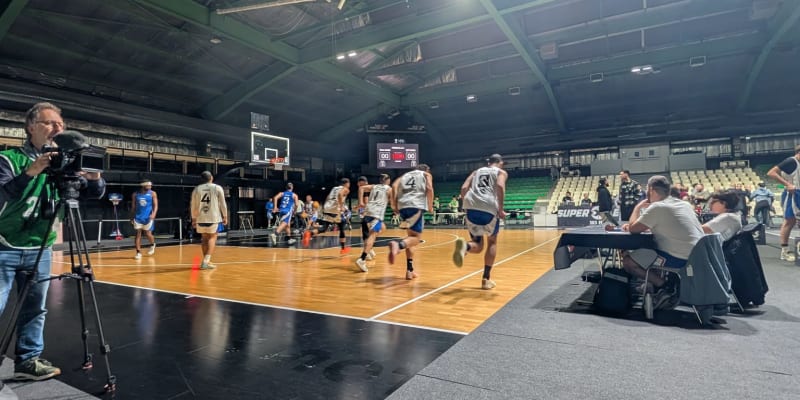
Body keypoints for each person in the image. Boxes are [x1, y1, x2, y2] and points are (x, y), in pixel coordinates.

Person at [0, 102, 105, 381]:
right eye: (49, 123)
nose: (57, 128)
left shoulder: (65, 166)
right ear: (31, 127)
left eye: (60, 124)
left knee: (35, 308)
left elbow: (93, 193)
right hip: (4, 246)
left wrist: (94, 176)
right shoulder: (10, 159)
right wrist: (31, 172)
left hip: (40, 247)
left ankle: (28, 360)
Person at [619, 175, 704, 309]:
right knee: (653, 251)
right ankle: (658, 286)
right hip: (699, 255)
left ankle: (665, 286)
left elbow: (633, 228)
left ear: (651, 189)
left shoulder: (657, 207)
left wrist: (637, 207)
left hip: (680, 259)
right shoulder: (684, 204)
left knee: (629, 262)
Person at [452, 154, 507, 290]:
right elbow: (499, 186)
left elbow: (464, 188)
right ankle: (486, 279)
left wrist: (466, 204)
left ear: (489, 163)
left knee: (478, 244)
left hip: (470, 205)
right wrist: (500, 209)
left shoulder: (476, 172)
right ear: (500, 162)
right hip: (488, 206)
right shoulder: (501, 172)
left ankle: (465, 246)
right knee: (492, 241)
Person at [388, 164, 434, 280]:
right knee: (416, 239)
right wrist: (430, 205)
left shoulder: (404, 176)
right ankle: (397, 246)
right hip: (416, 205)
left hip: (403, 205)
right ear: (426, 170)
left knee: (411, 239)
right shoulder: (426, 174)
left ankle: (410, 271)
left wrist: (394, 204)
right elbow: (429, 187)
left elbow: (394, 185)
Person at [767, 144, 800, 262]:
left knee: (791, 221)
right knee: (789, 221)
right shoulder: (791, 161)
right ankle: (784, 252)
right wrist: (788, 184)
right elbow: (771, 173)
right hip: (793, 194)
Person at [355, 174, 393, 272]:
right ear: (387, 180)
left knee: (383, 228)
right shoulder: (389, 189)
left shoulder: (374, 186)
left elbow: (361, 188)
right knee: (373, 235)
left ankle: (368, 246)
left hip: (368, 211)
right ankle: (362, 258)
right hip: (377, 214)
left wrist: (360, 203)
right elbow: (393, 203)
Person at [190, 171, 228, 269]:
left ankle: (207, 261)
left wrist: (193, 218)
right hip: (213, 217)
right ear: (211, 177)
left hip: (200, 217)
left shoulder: (196, 189)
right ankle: (206, 261)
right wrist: (225, 216)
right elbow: (223, 203)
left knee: (204, 238)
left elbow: (193, 205)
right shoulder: (217, 187)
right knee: (212, 237)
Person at [319, 178, 351, 253]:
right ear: (346, 183)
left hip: (327, 207)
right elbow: (340, 194)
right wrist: (341, 206)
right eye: (349, 184)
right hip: (335, 209)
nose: (349, 185)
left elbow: (327, 197)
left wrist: (324, 207)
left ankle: (309, 234)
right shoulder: (345, 189)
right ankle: (343, 249)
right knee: (341, 226)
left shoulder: (334, 188)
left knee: (324, 228)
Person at [130, 179, 158, 260]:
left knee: (148, 234)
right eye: (148, 185)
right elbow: (133, 207)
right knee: (138, 234)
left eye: (150, 185)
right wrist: (131, 217)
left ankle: (152, 244)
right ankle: (138, 252)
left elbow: (155, 205)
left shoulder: (153, 193)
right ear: (143, 185)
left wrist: (154, 214)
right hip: (138, 217)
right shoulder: (135, 194)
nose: (150, 186)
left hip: (148, 217)